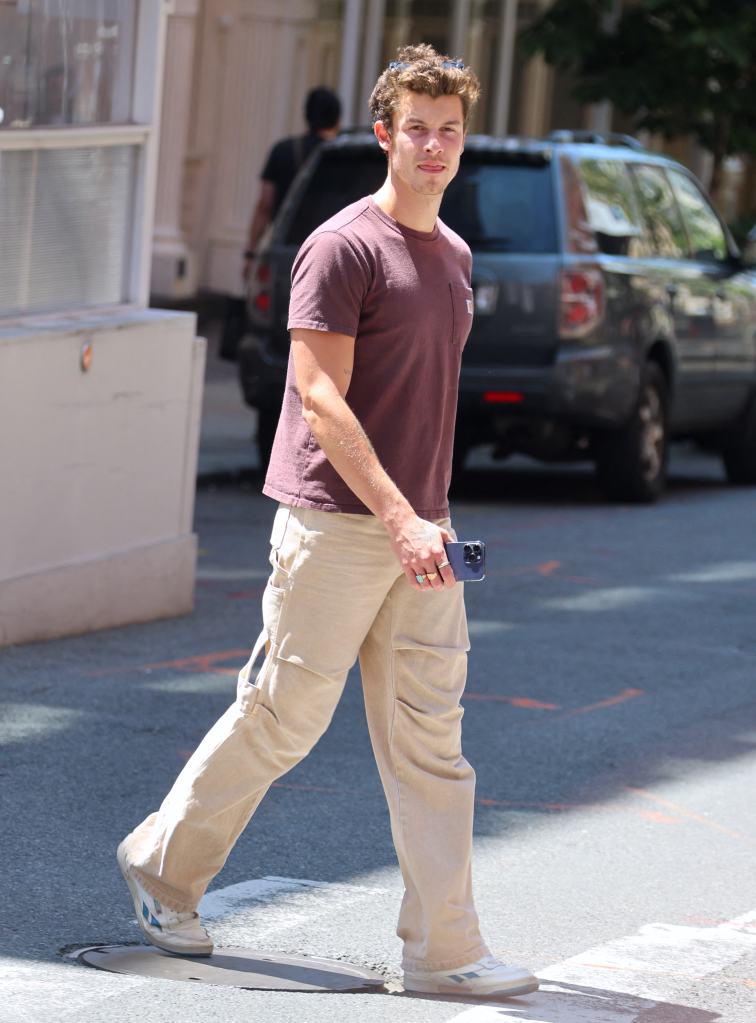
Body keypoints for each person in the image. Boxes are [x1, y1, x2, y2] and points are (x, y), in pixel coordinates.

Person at [117, 43, 539, 1001]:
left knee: (434, 742)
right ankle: (161, 869)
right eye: (417, 130)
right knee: (283, 717)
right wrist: (396, 514)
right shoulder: (343, 246)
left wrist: (425, 517)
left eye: (449, 132)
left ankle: (445, 950)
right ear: (385, 135)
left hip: (422, 530)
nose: (434, 147)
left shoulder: (455, 255)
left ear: (461, 143)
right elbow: (318, 394)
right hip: (338, 521)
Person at [242, 86, 342, 280]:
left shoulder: (282, 150)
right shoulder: (345, 157)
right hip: (330, 254)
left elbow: (264, 205)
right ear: (337, 119)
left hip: (285, 252)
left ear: (306, 115)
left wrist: (250, 253)